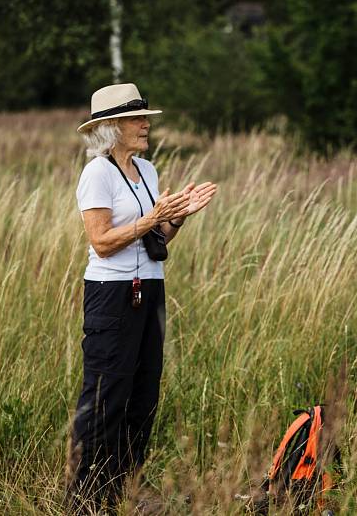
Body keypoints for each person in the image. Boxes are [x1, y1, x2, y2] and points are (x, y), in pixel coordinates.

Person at [68, 83, 218, 510]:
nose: (146, 124)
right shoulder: (96, 173)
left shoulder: (147, 170)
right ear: (112, 126)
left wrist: (178, 217)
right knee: (105, 397)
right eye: (137, 118)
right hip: (110, 293)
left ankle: (122, 491)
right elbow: (100, 241)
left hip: (150, 288)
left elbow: (156, 236)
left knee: (143, 395)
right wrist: (153, 216)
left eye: (146, 117)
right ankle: (85, 499)